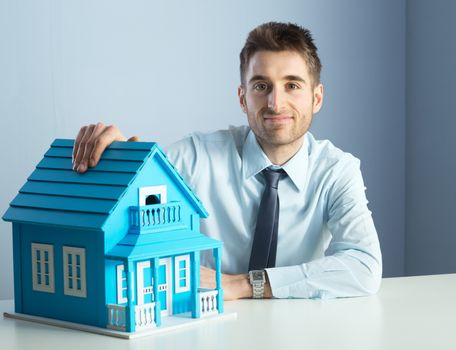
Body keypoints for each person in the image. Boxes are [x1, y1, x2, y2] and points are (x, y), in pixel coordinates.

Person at [72, 22, 382, 301]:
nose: (276, 103)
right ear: (242, 97)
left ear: (317, 97)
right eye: (261, 86)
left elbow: (364, 265)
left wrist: (245, 284)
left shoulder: (337, 170)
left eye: (292, 85)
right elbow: (135, 201)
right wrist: (118, 162)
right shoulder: (195, 157)